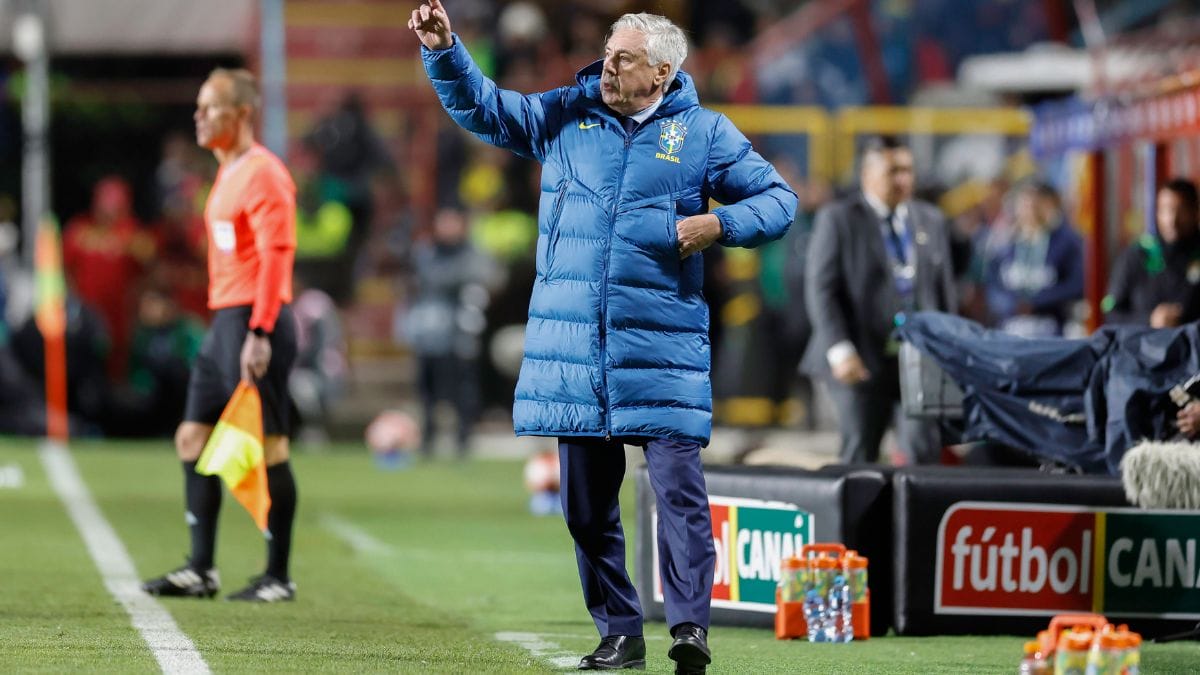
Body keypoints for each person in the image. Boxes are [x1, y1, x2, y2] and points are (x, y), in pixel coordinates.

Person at [410, 4, 796, 673]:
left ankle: (689, 628)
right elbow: (485, 109)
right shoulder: (566, 114)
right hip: (579, 358)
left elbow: (778, 200)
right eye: (610, 52)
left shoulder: (704, 134)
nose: (607, 64)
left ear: (664, 71)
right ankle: (621, 629)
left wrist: (720, 226)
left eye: (624, 56)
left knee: (679, 495)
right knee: (586, 511)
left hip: (663, 351)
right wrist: (445, 50)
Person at [141, 68, 300, 603]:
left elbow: (278, 256)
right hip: (223, 323)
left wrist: (260, 331)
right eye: (199, 107)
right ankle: (201, 568)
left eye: (210, 108)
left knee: (270, 448)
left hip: (256, 323)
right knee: (192, 438)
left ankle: (278, 576)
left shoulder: (265, 174)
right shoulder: (227, 172)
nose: (199, 116)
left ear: (242, 115)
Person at [800, 135, 955, 465]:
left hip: (916, 357)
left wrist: (947, 347)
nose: (903, 179)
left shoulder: (930, 220)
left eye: (908, 170)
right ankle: (857, 518)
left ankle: (914, 518)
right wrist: (839, 349)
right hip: (859, 358)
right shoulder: (839, 218)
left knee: (923, 450)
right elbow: (821, 288)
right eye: (893, 171)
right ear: (868, 175)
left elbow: (942, 292)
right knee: (860, 450)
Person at [405, 207, 497, 458]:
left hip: (460, 334)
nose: (446, 228)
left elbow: (485, 280)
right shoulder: (426, 253)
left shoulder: (473, 253)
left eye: (451, 222)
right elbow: (418, 285)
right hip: (429, 332)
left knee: (462, 390)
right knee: (427, 391)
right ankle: (427, 439)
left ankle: (462, 439)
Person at [984, 181, 1083, 338]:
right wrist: (1012, 304)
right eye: (1025, 203)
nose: (1030, 209)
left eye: (1037, 203)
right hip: (1010, 329)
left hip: (1050, 329)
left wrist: (1037, 303)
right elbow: (992, 286)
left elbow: (1076, 284)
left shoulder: (1065, 243)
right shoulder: (1003, 243)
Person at [1104, 178, 1200, 328]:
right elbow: (1111, 313)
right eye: (1165, 209)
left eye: (1181, 210)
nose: (1172, 220)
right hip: (1143, 349)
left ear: (1195, 211)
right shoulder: (1136, 255)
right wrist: (1149, 320)